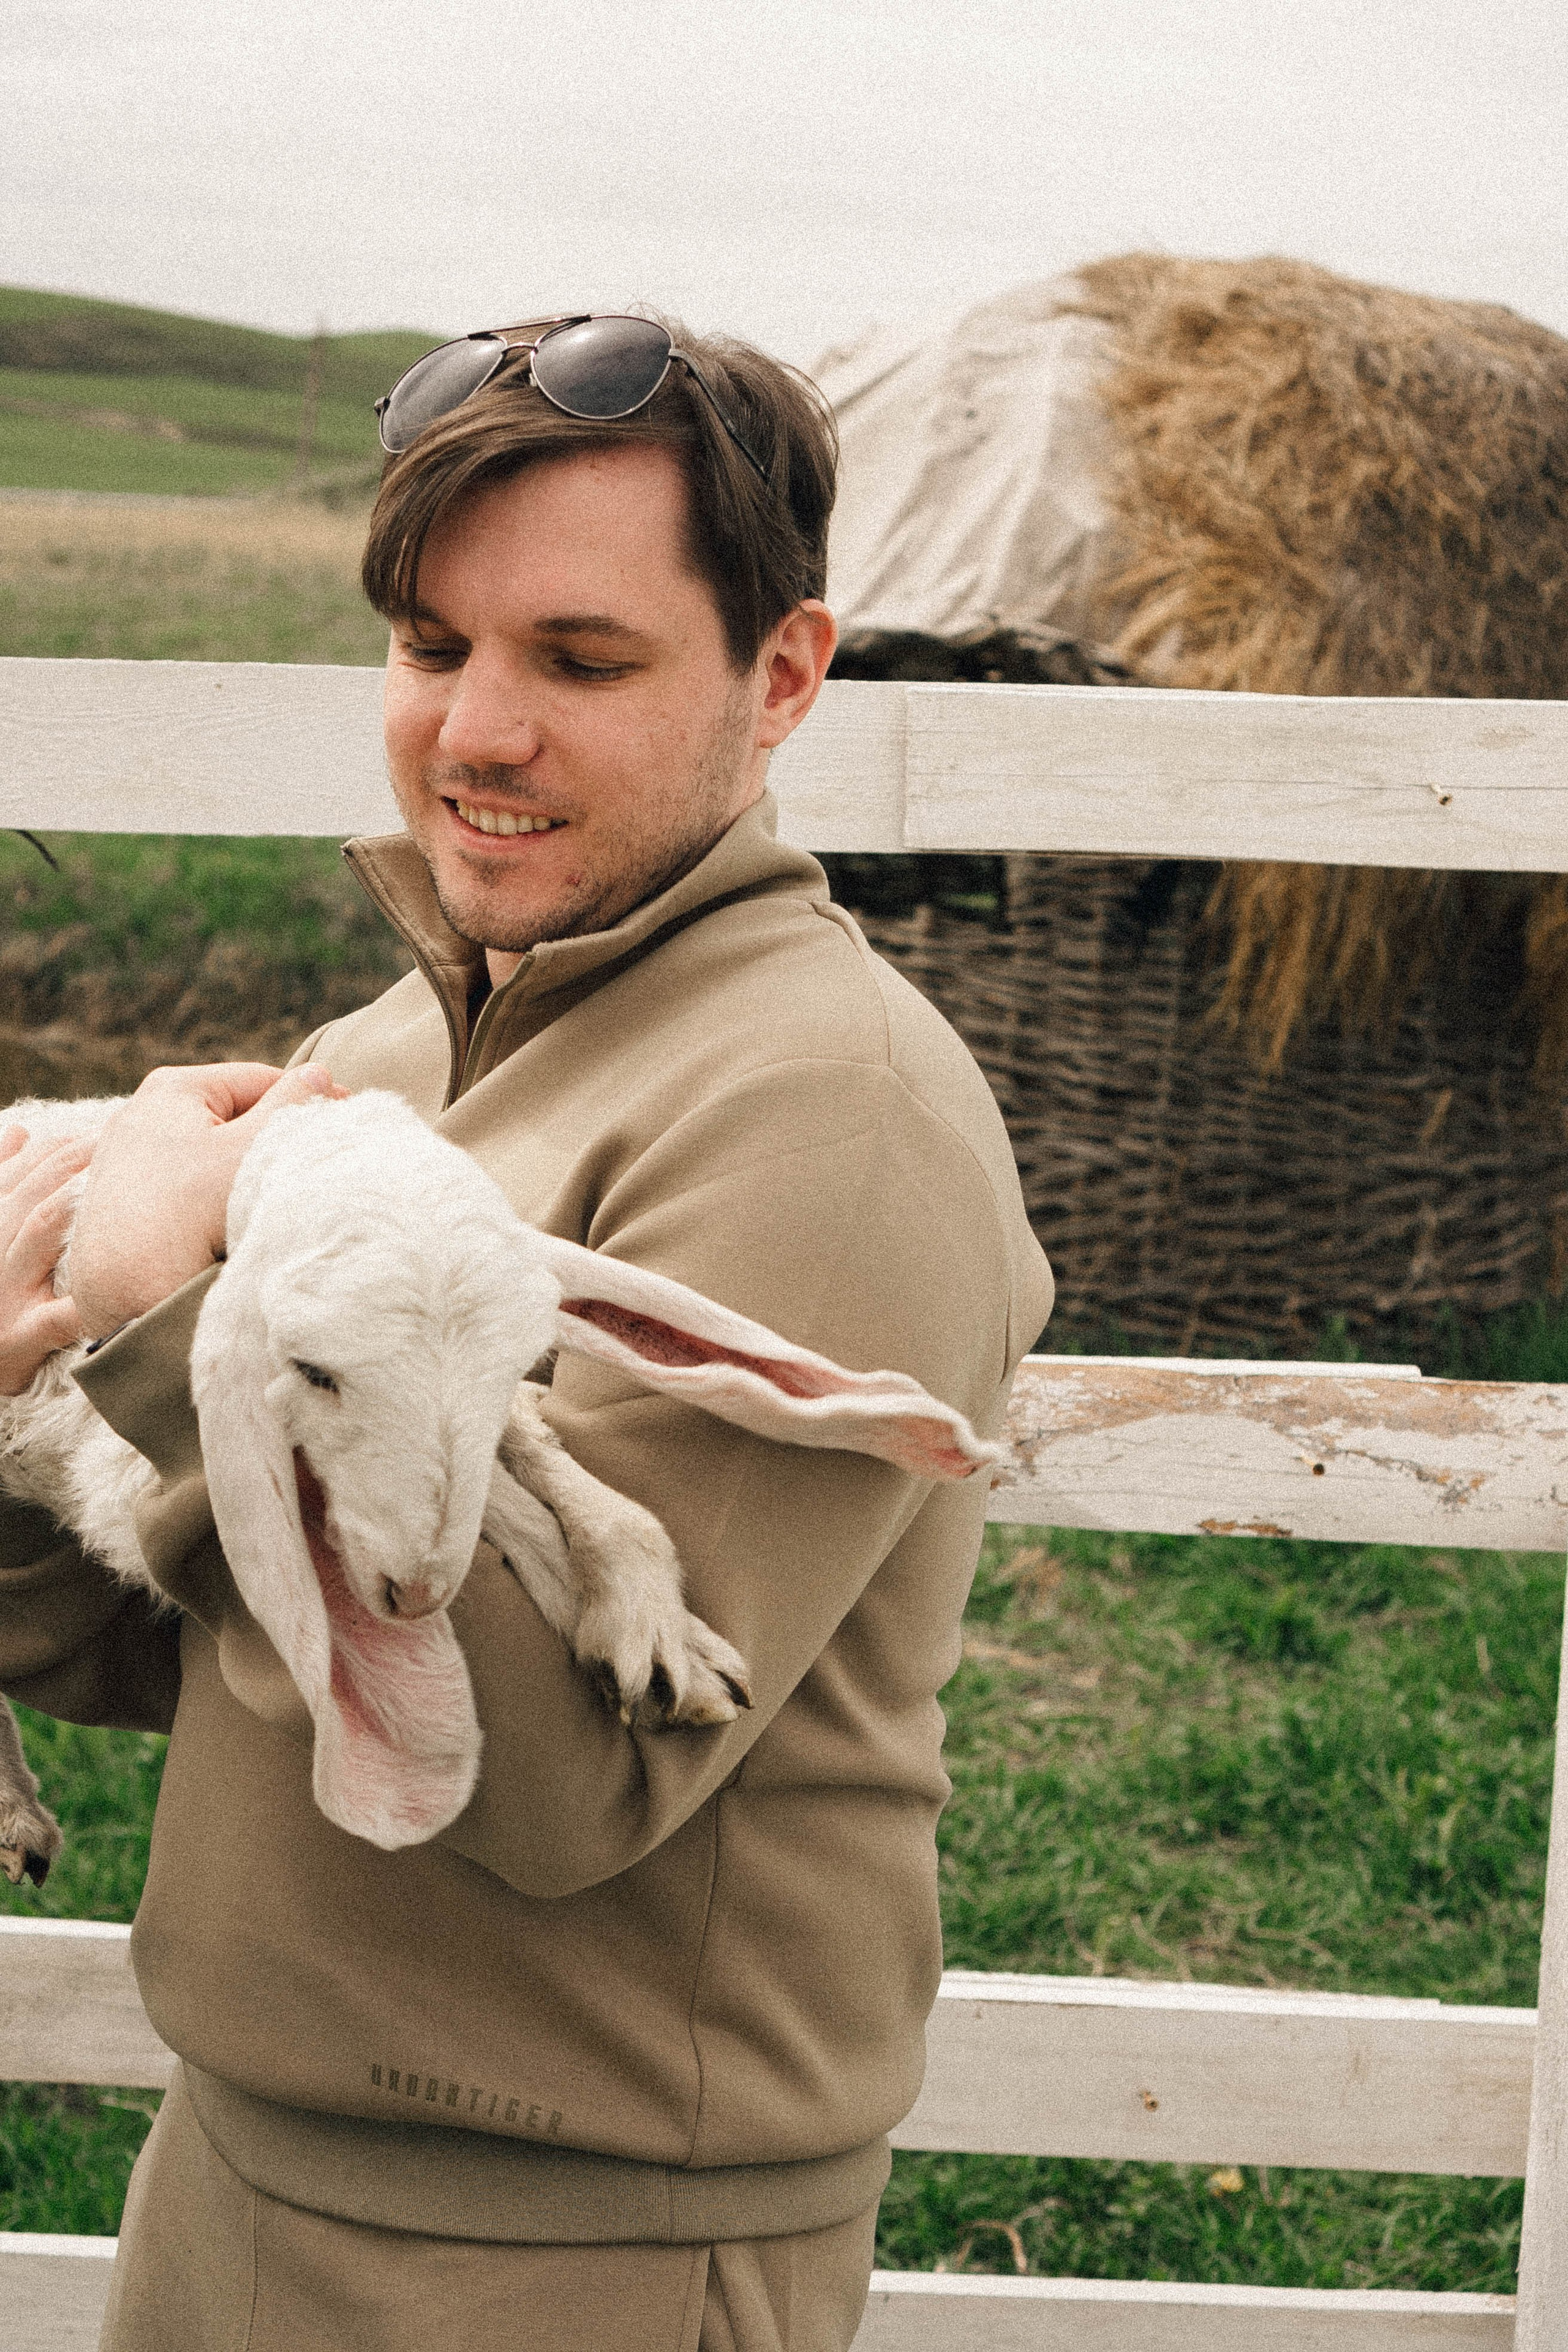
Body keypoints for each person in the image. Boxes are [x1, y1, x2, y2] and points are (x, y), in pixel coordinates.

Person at [0, 314, 1052, 2351]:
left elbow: (564, 1782)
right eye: (430, 644)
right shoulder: (394, 1051)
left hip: (570, 2259)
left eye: (580, 661)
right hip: (239, 2175)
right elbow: (208, 1647)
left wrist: (163, 1310)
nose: (476, 731)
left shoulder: (826, 1111)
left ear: (784, 676)